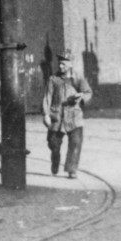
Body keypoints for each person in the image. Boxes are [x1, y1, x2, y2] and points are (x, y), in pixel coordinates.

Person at [42, 50, 93, 179]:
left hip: (74, 116)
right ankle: (55, 159)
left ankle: (72, 170)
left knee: (76, 142)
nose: (60, 66)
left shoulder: (78, 78)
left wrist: (81, 97)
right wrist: (46, 114)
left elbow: (88, 92)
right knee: (53, 143)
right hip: (57, 116)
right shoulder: (53, 79)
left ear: (70, 64)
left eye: (63, 64)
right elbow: (47, 97)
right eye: (59, 64)